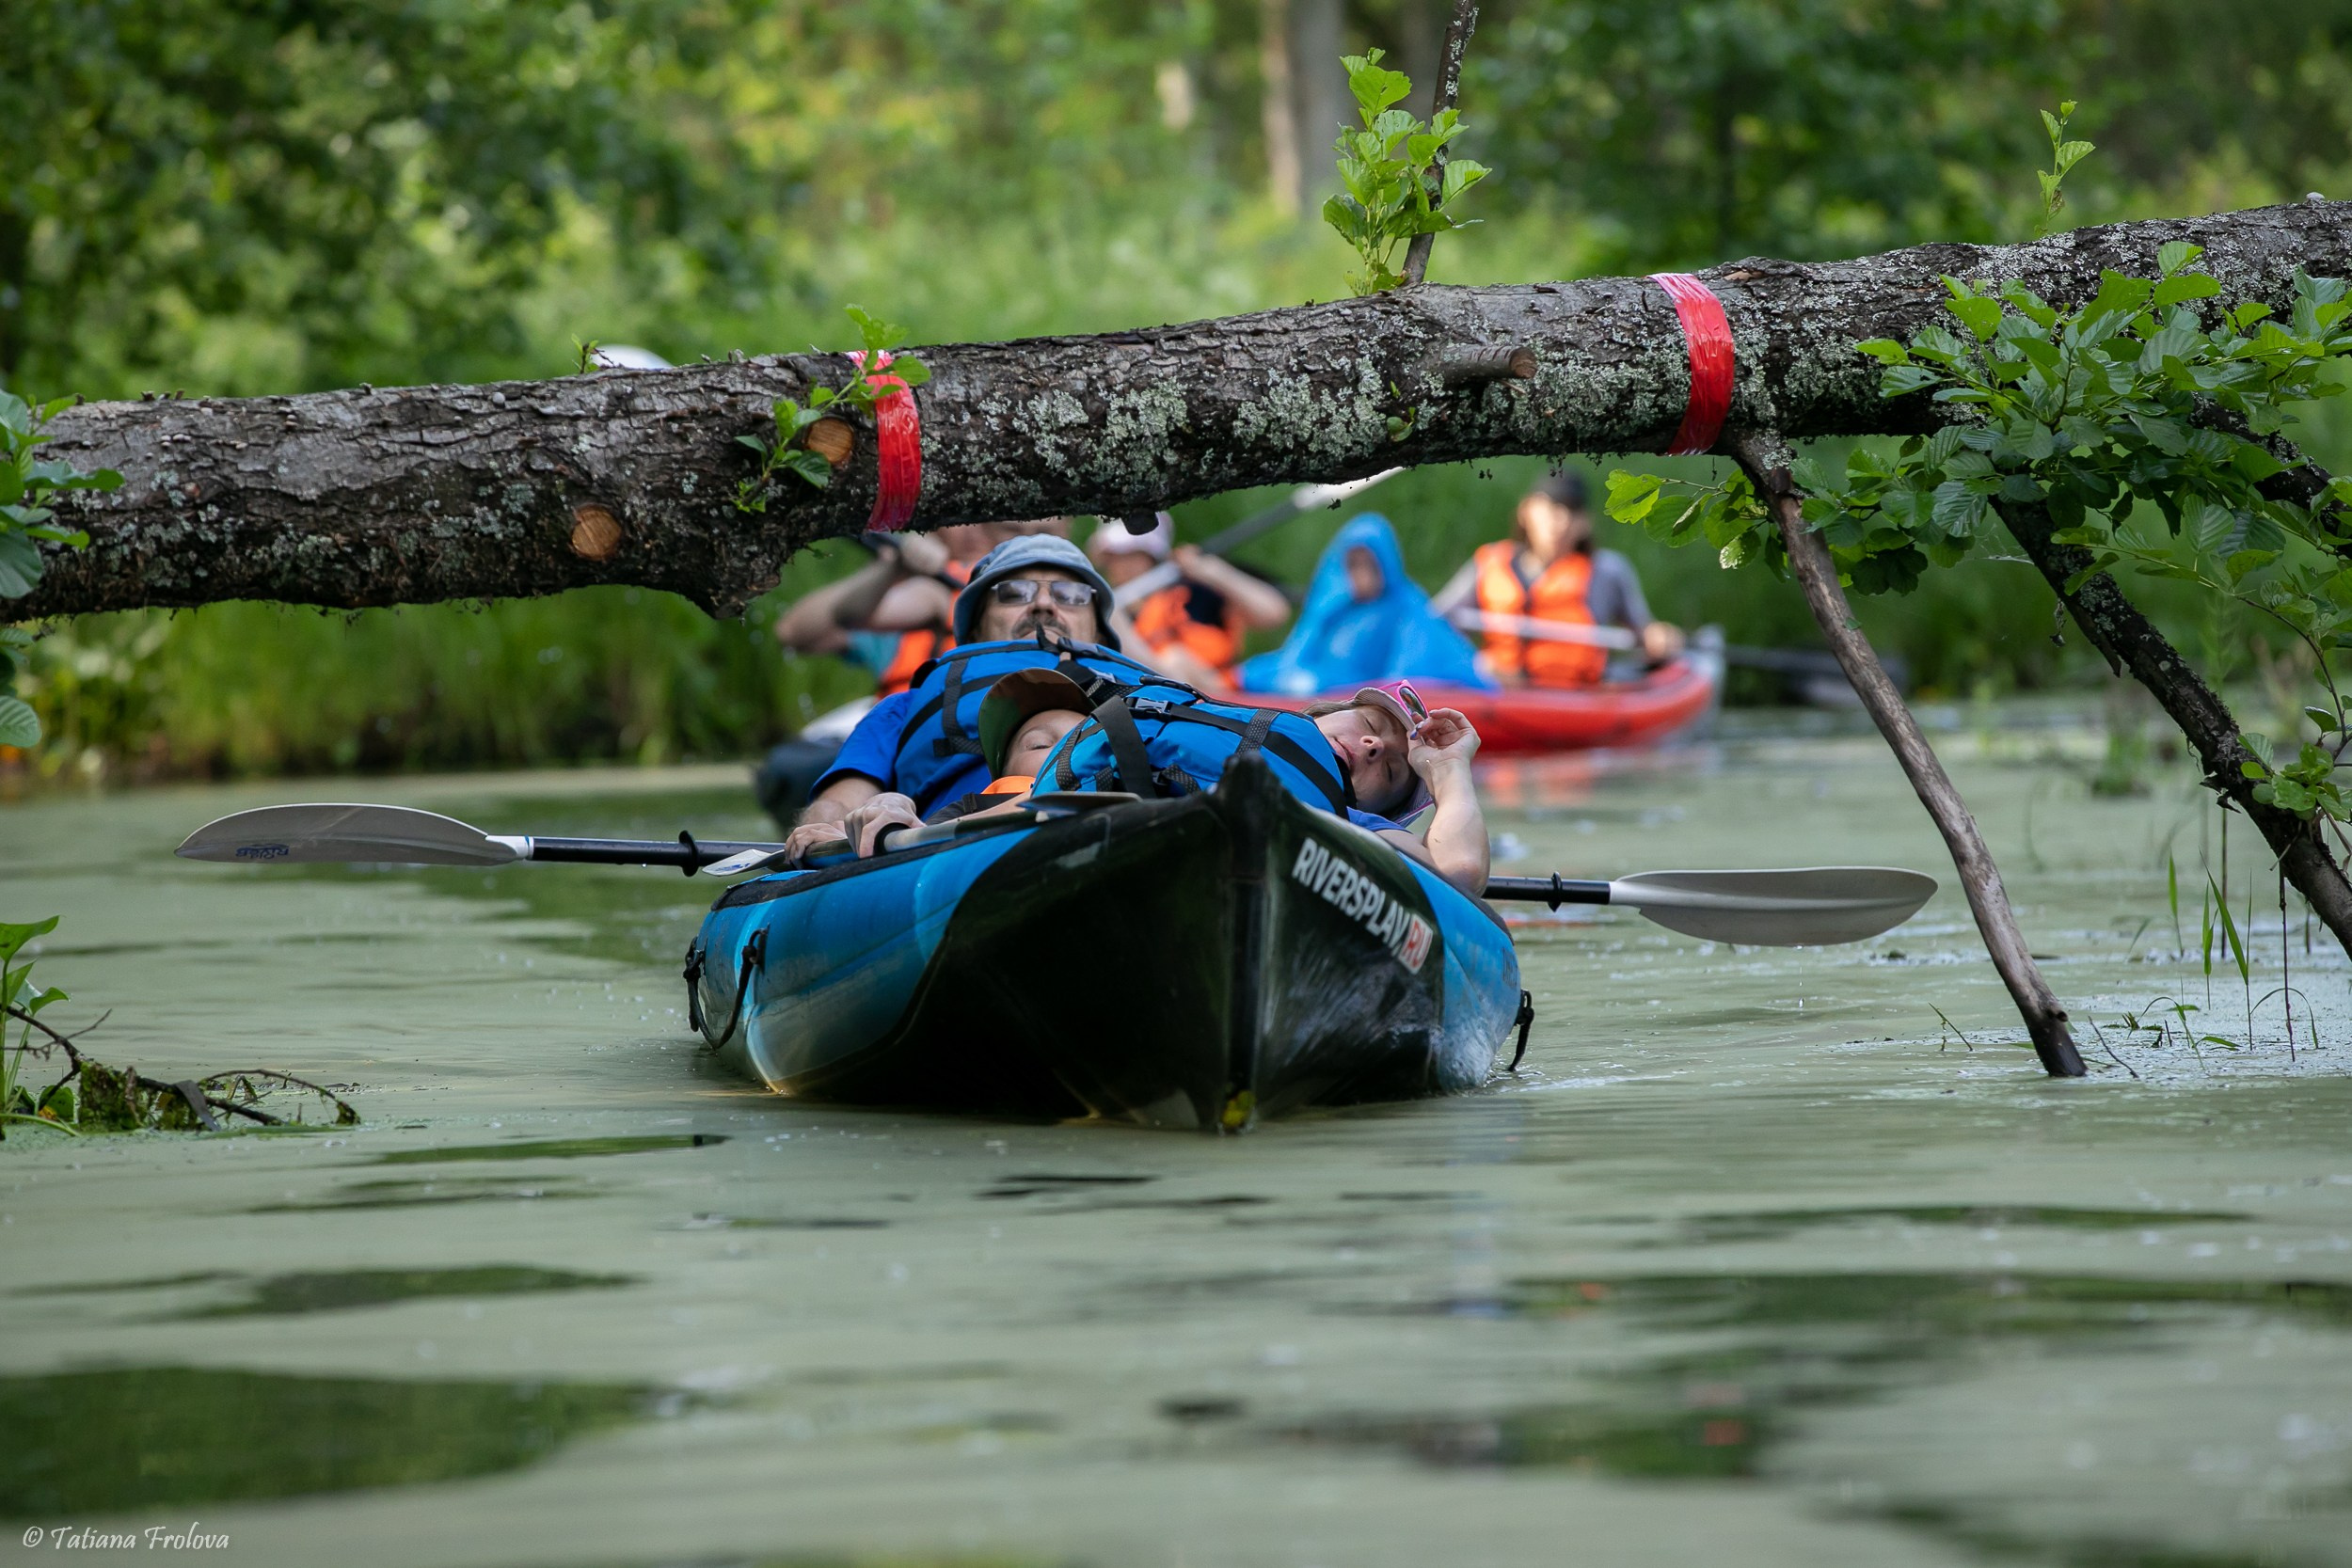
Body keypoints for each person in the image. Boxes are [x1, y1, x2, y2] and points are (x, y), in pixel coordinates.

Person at [782, 533, 1164, 863]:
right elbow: (838, 805)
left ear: (1097, 630)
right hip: (950, 853)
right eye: (1015, 593)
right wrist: (826, 830)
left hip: (1136, 826)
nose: (1045, 605)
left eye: (1071, 595)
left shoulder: (1149, 691)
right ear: (977, 629)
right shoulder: (903, 708)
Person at [1430, 469, 1686, 688]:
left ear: (1585, 524)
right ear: (1526, 511)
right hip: (1499, 687)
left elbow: (1644, 632)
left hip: (1577, 696)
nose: (1561, 522)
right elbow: (1436, 624)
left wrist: (1658, 637)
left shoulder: (1608, 571)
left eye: (1572, 512)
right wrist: (1471, 664)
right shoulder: (1489, 563)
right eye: (1552, 508)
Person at [1235, 514, 1491, 695]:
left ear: (1386, 563)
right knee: (1256, 672)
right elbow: (1297, 655)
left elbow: (1410, 666)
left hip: (1359, 688)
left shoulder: (1405, 606)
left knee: (1306, 684)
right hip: (1324, 684)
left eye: (1371, 565)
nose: (1363, 575)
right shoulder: (1332, 606)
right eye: (1354, 565)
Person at [772, 522, 1002, 696]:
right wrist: (893, 567)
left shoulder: (1028, 594)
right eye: (960, 516)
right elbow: (792, 632)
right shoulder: (923, 594)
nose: (972, 530)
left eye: (990, 521)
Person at [1089, 515, 1292, 689]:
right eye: (1115, 556)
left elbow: (1274, 613)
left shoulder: (1196, 591)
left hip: (1218, 694)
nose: (1122, 566)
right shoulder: (1108, 610)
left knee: (1176, 659)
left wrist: (1212, 571)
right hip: (1148, 695)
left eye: (1132, 555)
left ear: (1152, 555)